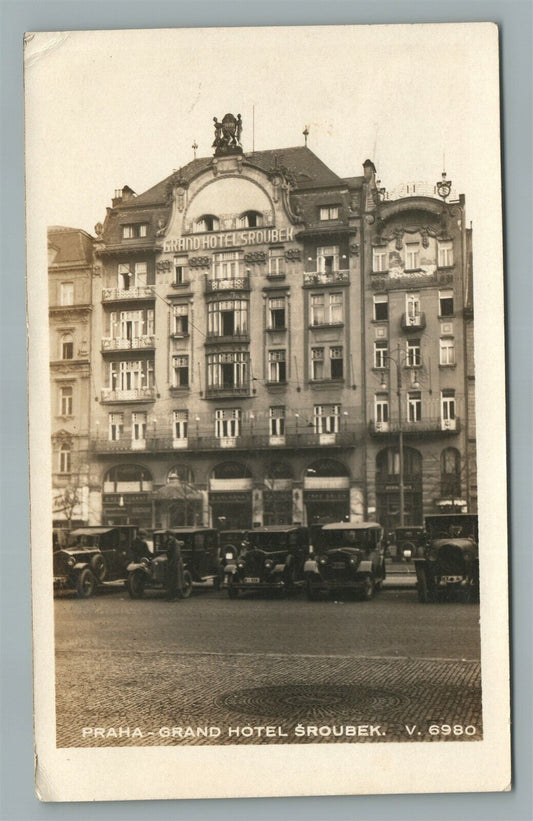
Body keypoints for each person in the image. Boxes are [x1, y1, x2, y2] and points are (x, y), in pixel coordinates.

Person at [163, 531, 184, 600]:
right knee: (171, 580)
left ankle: (176, 596)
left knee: (176, 580)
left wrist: (172, 563)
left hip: (175, 563)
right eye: (167, 535)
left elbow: (176, 554)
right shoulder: (170, 542)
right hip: (172, 562)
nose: (168, 537)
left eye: (169, 535)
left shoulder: (175, 543)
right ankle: (171, 596)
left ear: (172, 536)